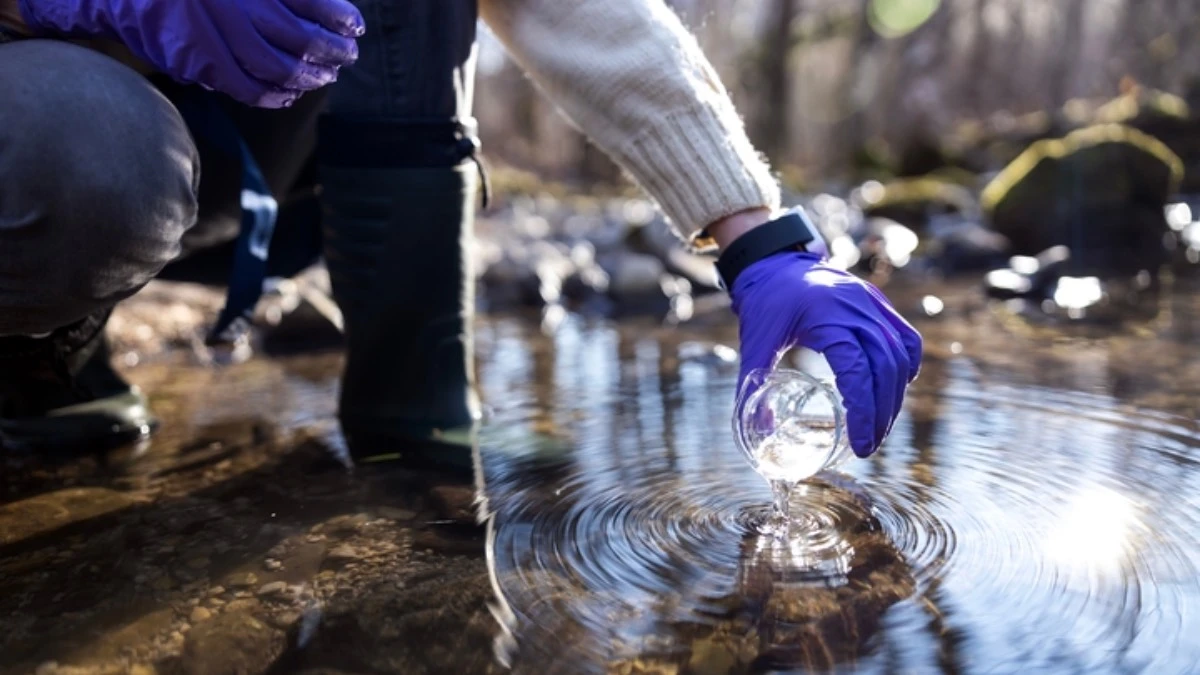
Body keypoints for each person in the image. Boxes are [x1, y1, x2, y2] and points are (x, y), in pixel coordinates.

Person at [0, 0, 922, 468]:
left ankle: (414, 418)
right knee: (86, 158)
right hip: (52, 119)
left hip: (222, 164)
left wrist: (759, 238)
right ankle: (31, 354)